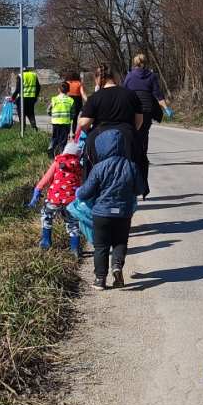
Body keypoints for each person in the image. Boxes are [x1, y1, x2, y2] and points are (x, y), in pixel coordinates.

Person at [75, 127, 139, 289]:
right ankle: (117, 266)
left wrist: (78, 192)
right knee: (120, 242)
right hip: (123, 213)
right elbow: (139, 188)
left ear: (101, 147)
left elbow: (85, 192)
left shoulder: (98, 168)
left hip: (101, 214)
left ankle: (100, 279)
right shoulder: (131, 166)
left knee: (101, 246)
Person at [77, 65, 145, 194]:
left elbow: (84, 123)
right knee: (129, 169)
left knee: (94, 171)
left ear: (97, 79)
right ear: (116, 77)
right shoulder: (130, 95)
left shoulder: (95, 97)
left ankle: (95, 196)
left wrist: (86, 128)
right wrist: (129, 130)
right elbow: (139, 121)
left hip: (99, 139)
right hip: (127, 138)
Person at [123, 53, 171, 194]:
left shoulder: (130, 76)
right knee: (144, 134)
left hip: (133, 110)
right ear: (146, 62)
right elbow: (158, 94)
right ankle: (142, 156)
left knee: (132, 135)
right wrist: (166, 108)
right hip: (147, 110)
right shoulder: (151, 76)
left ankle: (132, 158)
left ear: (135, 62)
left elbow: (124, 92)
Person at [31, 139, 83, 254]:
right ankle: (75, 249)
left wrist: (37, 190)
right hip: (71, 201)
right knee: (73, 223)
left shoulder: (57, 163)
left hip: (54, 199)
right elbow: (82, 184)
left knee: (46, 215)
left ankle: (46, 240)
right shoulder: (79, 166)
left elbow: (46, 178)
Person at [45, 81, 77, 154]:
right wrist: (70, 118)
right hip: (65, 122)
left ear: (58, 89)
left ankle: (51, 147)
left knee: (54, 137)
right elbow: (73, 113)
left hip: (55, 122)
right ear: (68, 90)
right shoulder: (71, 100)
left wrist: (52, 115)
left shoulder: (54, 99)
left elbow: (48, 110)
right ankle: (62, 152)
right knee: (64, 139)